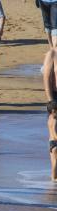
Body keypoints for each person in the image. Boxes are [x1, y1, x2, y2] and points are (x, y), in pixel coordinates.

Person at [43, 47, 57, 181]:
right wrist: (50, 101)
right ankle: (54, 174)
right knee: (54, 131)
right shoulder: (52, 53)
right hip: (55, 98)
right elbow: (46, 78)